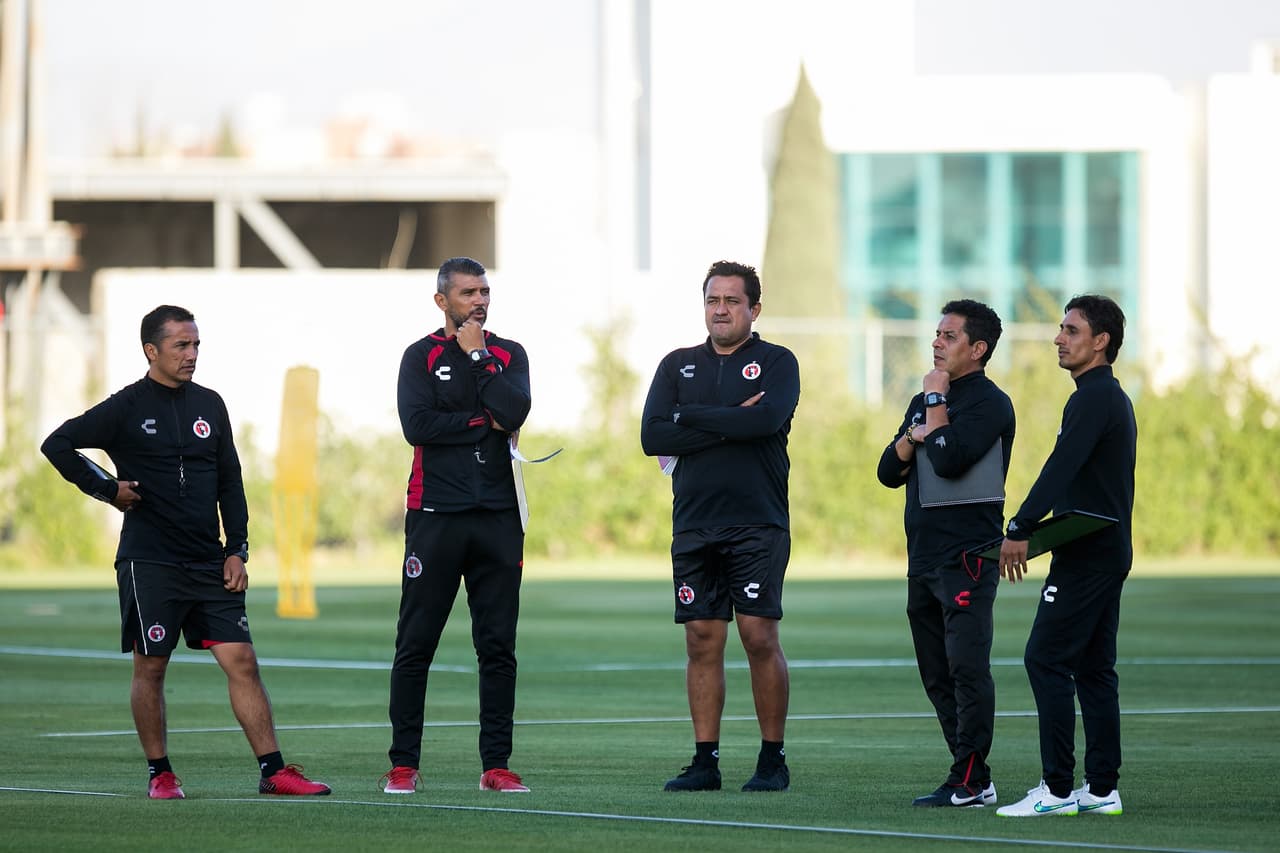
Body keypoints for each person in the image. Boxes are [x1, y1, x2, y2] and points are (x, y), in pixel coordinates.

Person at [41, 304, 330, 800]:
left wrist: (236, 548)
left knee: (242, 661)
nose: (192, 354)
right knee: (151, 665)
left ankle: (274, 771)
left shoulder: (210, 405)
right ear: (152, 351)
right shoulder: (126, 406)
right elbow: (58, 444)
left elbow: (230, 481)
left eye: (196, 344)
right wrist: (108, 490)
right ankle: (161, 773)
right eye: (181, 345)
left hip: (208, 560)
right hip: (149, 561)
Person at [640, 260, 800, 793]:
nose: (722, 310)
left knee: (758, 635)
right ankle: (705, 761)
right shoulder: (676, 364)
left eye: (733, 301)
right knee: (702, 639)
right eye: (714, 300)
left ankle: (772, 760)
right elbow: (651, 434)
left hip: (757, 521)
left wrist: (689, 417)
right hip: (694, 525)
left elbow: (764, 421)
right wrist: (725, 418)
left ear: (755, 308)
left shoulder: (777, 361)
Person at [382, 257, 533, 795]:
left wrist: (478, 360)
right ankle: (403, 764)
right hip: (435, 517)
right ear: (442, 301)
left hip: (498, 519)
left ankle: (496, 765)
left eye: (484, 291)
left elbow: (513, 412)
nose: (479, 301)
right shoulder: (419, 356)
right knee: (416, 643)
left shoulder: (507, 354)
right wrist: (478, 424)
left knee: (497, 647)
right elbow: (416, 425)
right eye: (468, 292)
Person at [995, 294, 1136, 818]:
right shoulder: (1102, 396)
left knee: (1045, 658)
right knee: (1095, 669)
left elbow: (1060, 467)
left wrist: (1020, 527)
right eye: (1061, 328)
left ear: (1100, 341)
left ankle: (1055, 791)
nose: (1059, 337)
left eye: (1071, 330)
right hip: (1101, 548)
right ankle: (1101, 790)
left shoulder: (1095, 397)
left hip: (1089, 553)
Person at [877, 299, 1015, 808]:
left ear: (977, 349)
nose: (936, 342)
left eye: (949, 336)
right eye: (936, 334)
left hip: (968, 556)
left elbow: (951, 458)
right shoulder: (925, 401)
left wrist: (930, 414)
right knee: (936, 673)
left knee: (966, 669)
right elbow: (888, 472)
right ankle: (972, 775)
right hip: (924, 557)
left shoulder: (988, 404)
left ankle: (971, 778)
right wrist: (918, 429)